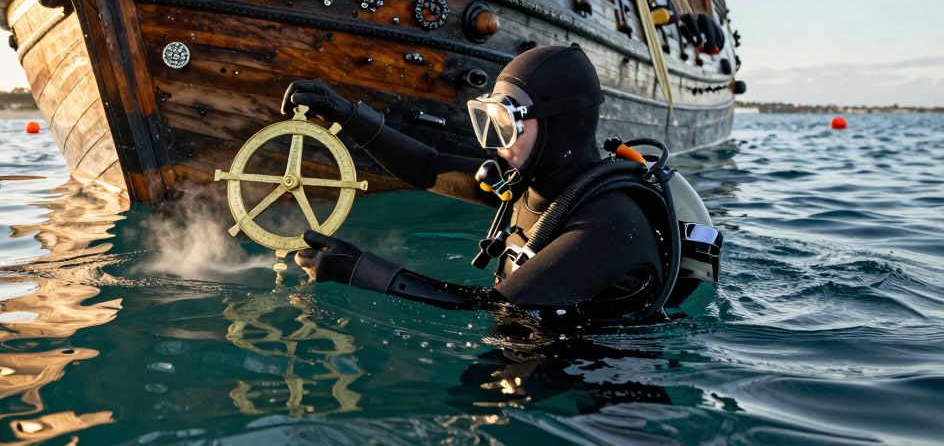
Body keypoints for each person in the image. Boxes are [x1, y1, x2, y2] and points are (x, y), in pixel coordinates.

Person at [282, 45, 690, 324]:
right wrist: (346, 114)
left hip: (606, 387)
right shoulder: (530, 185)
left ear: (558, 127)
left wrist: (361, 270)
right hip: (544, 354)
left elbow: (497, 307)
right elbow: (427, 167)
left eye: (507, 125)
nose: (495, 143)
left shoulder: (610, 222)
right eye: (488, 121)